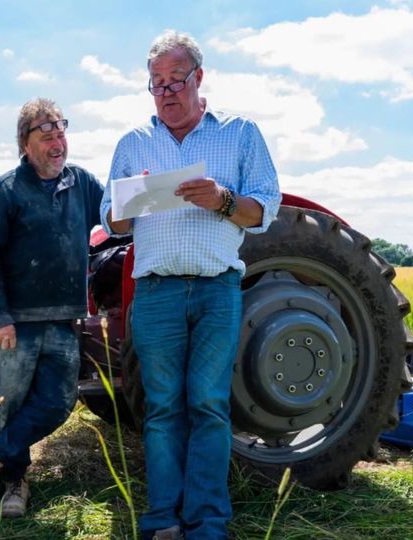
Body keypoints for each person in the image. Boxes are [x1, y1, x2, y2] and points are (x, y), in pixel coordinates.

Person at [100, 31, 282, 540]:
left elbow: (264, 209)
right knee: (161, 409)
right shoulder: (133, 142)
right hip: (155, 292)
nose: (165, 92)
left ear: (199, 78)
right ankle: (163, 518)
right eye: (156, 83)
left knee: (208, 405)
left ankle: (206, 522)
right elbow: (111, 219)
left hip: (216, 289)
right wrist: (129, 203)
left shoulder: (240, 134)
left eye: (175, 81)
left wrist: (223, 199)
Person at [0, 98, 104, 518]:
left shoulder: (82, 183)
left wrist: (140, 194)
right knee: (10, 404)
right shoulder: (6, 190)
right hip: (18, 322)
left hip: (64, 319)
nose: (57, 142)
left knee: (58, 402)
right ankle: (13, 482)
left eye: (61, 132)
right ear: (25, 144)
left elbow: (115, 215)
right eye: (46, 135)